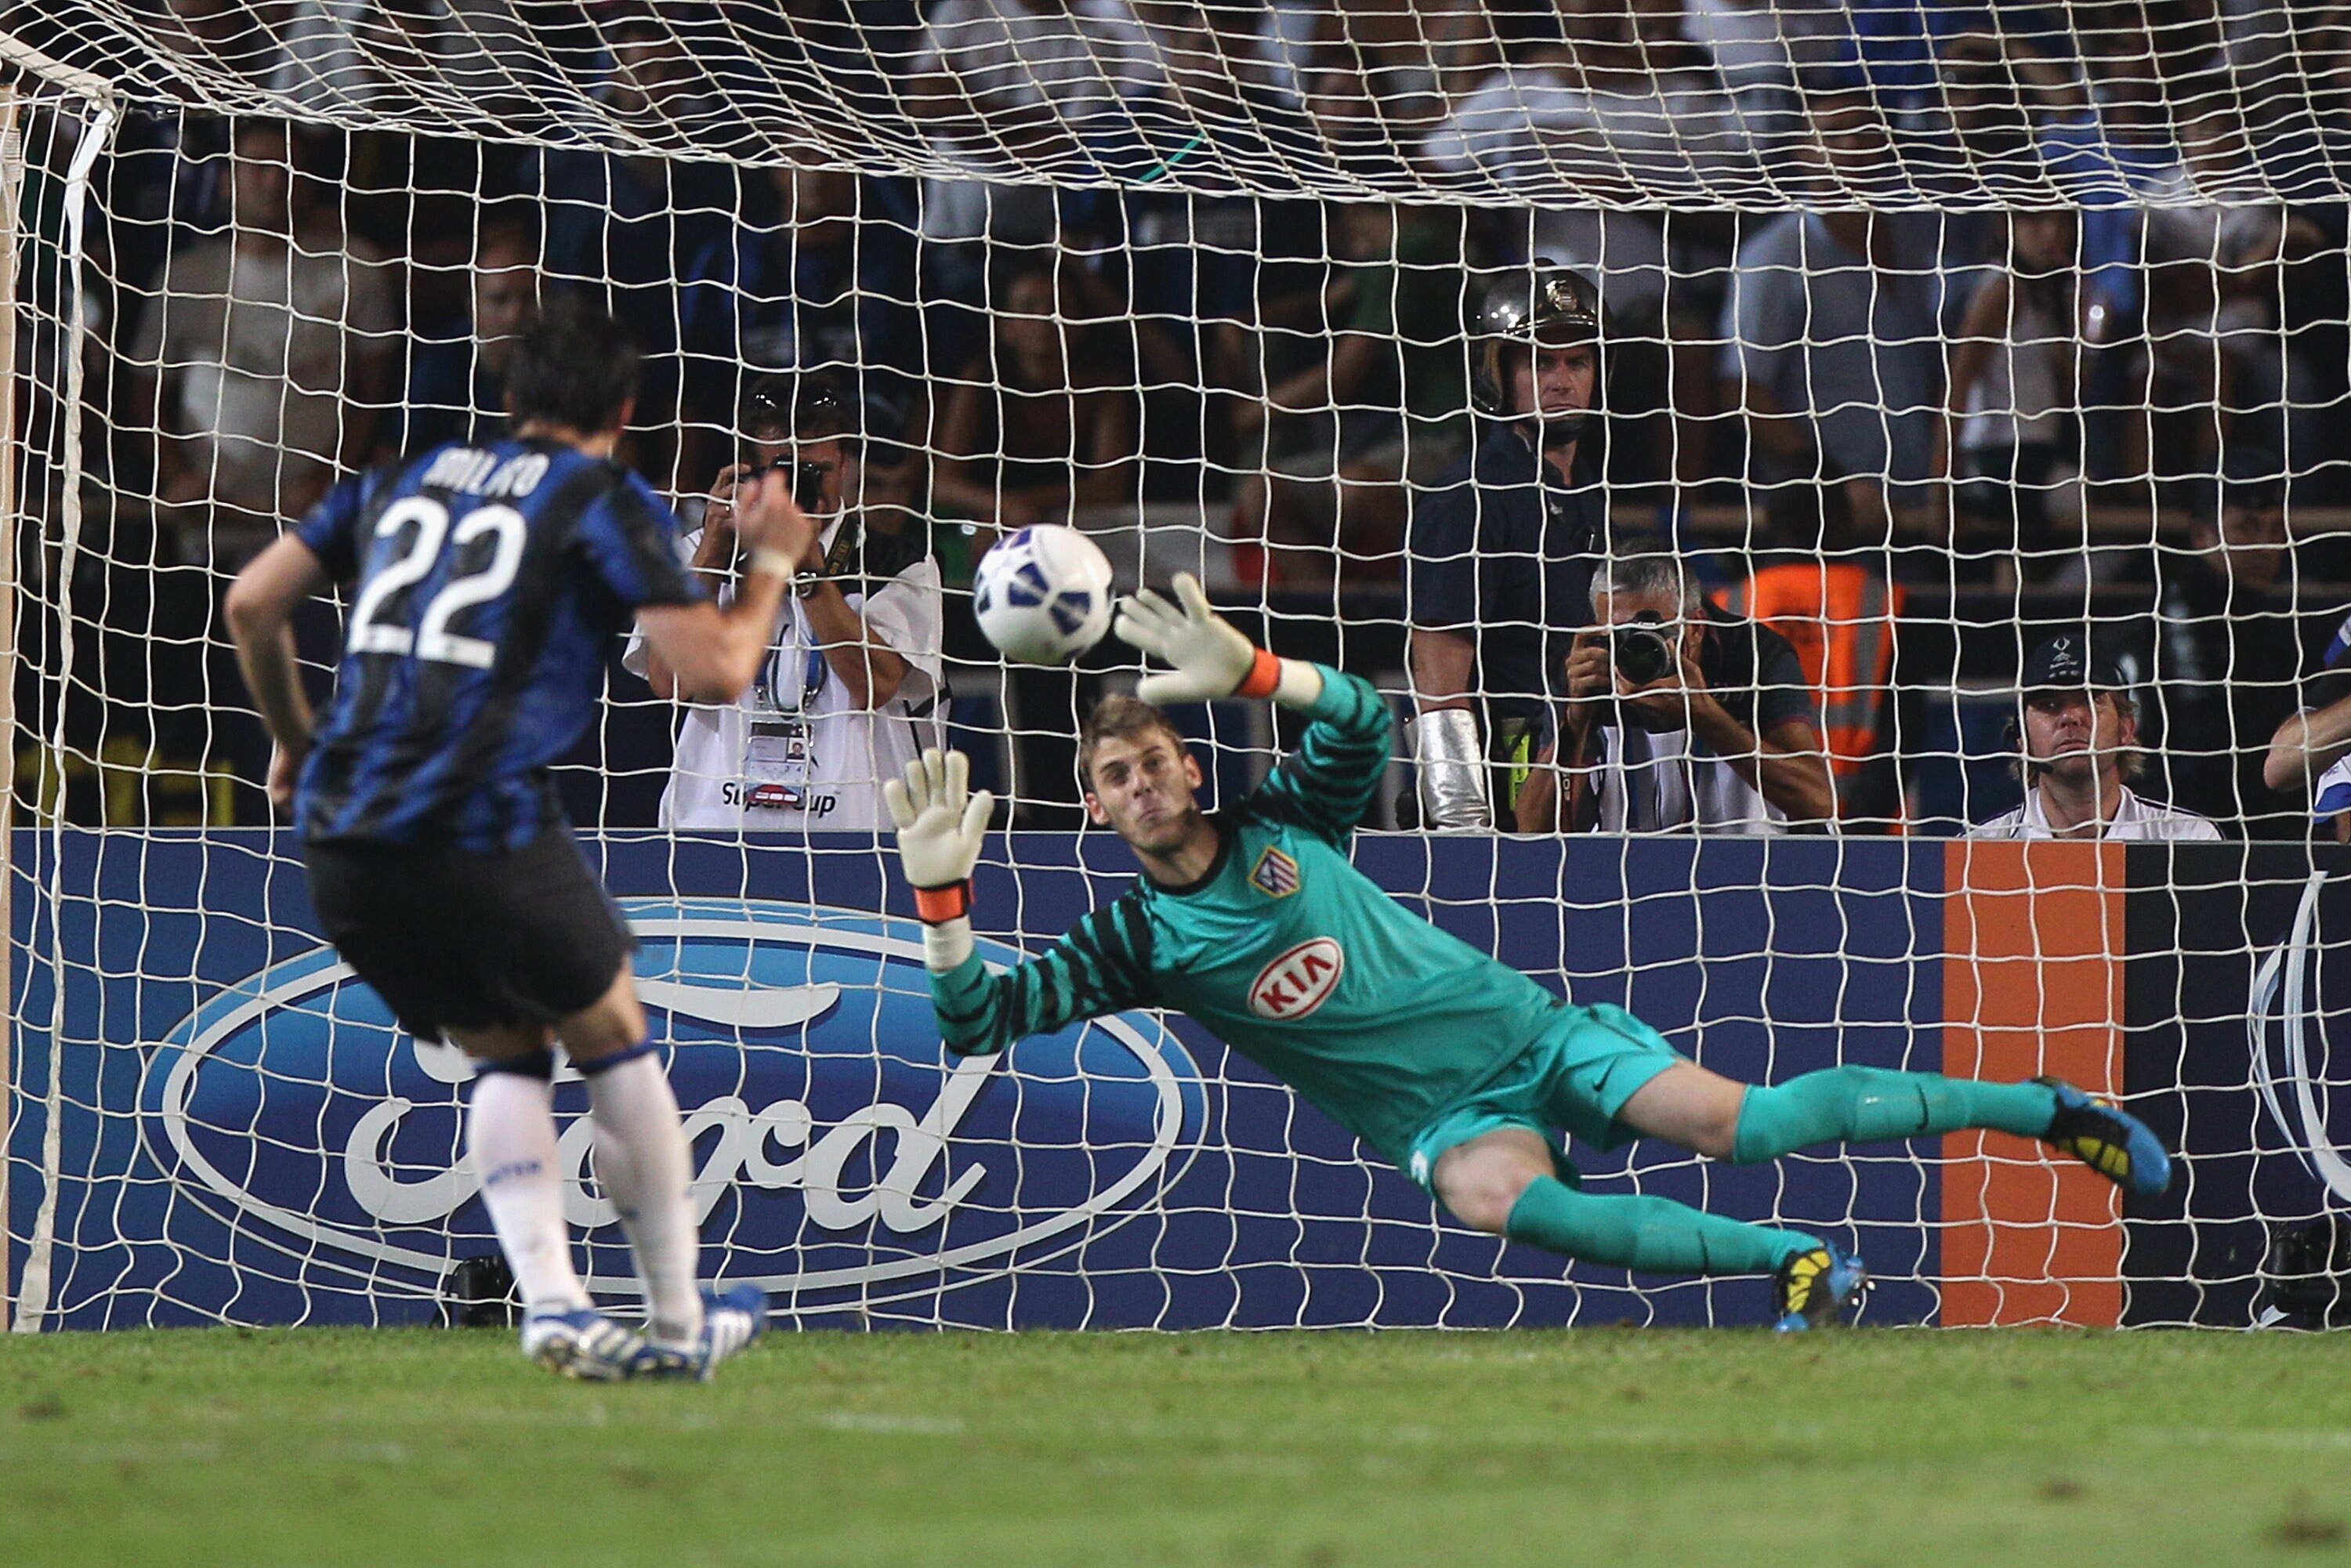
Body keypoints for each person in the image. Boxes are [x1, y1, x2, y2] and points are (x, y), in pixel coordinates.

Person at [883, 574, 2172, 1328]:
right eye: (1118, 775)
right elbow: (979, 1022)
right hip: (1446, 1115)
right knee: (1489, 1198)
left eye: (1156, 757)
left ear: (1188, 762)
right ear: (1096, 807)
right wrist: (943, 905)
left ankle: (2048, 1112)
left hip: (1539, 1036)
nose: (1145, 782)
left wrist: (1259, 669)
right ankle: (1796, 1266)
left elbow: (1363, 716)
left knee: (1754, 1126)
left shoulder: (1285, 820)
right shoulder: (1133, 941)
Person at [221, 307, 812, 1381]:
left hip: (343, 838)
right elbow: (719, 669)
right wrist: (770, 561)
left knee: (503, 1043)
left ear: (507, 404)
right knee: (613, 1027)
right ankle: (679, 1327)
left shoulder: (400, 477)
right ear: (625, 415)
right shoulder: (597, 494)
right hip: (475, 816)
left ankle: (551, 1307)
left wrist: (295, 742)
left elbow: (252, 603)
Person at [631, 373, 946, 833]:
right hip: (716, 833)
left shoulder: (898, 565)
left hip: (861, 839)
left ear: (844, 466)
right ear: (747, 472)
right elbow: (669, 681)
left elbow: (873, 685)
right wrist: (714, 553)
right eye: (785, 469)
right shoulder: (698, 551)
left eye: (816, 470)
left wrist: (806, 567)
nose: (804, 487)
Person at [1406, 263, 1605, 831]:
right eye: (1539, 362)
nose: (1560, 380)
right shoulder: (1468, 499)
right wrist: (1465, 829)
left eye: (1577, 362)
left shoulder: (1587, 489)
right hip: (1505, 773)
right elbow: (1440, 688)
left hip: (1582, 773)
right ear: (1500, 374)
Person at [1516, 549, 1835, 835]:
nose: (1637, 651)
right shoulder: (1584, 666)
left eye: (1654, 632)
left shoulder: (1753, 656)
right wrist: (1577, 718)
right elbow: (1533, 829)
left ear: (1696, 628)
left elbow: (1818, 803)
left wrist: (1706, 716)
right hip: (1629, 868)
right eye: (1622, 635)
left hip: (1751, 862)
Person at [1970, 634, 2225, 842]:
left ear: (2126, 729)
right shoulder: (1979, 852)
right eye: (2049, 704)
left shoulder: (2189, 840)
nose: (2070, 717)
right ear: (2021, 739)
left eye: (2090, 701)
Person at [398, 219, 540, 455]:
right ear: (473, 306)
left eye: (529, 299)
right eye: (500, 300)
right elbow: (398, 455)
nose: (515, 315)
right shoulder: (440, 364)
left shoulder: (568, 366)